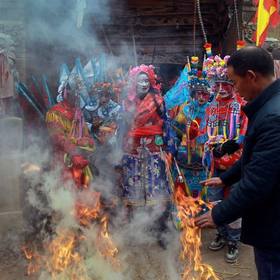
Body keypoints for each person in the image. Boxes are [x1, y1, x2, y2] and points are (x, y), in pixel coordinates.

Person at [195, 46, 280, 279]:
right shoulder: (268, 106)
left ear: (251, 76)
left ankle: (231, 239)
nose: (234, 89)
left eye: (234, 81)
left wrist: (218, 214)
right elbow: (255, 158)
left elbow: (257, 183)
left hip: (274, 226)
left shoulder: (272, 117)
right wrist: (225, 177)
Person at [203, 55, 248, 263]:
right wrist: (208, 144)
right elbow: (205, 131)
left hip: (236, 165)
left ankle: (233, 240)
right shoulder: (211, 107)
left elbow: (246, 133)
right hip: (215, 164)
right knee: (216, 201)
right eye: (217, 83)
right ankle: (221, 232)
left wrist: (232, 144)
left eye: (226, 83)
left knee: (234, 202)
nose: (221, 88)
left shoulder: (242, 106)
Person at [121, 65, 171, 247]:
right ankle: (137, 229)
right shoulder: (127, 101)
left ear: (150, 81)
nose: (143, 84)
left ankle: (161, 231)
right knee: (134, 190)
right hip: (133, 151)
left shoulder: (156, 99)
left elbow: (137, 119)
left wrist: (134, 129)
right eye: (139, 80)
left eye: (146, 80)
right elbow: (124, 124)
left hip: (153, 150)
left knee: (156, 190)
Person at [46, 83, 95, 189]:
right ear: (65, 93)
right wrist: (74, 151)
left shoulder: (78, 112)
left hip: (79, 157)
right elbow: (58, 137)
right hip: (62, 159)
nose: (76, 96)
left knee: (82, 192)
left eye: (78, 93)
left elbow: (86, 134)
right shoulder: (54, 113)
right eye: (73, 92)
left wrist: (87, 144)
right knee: (65, 192)